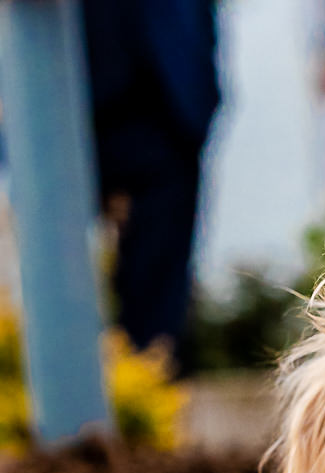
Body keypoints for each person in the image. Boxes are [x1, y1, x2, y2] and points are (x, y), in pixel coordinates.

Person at [80, 0, 221, 367]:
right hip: (67, 104)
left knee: (159, 304)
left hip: (168, 103)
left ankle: (151, 398)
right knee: (62, 289)